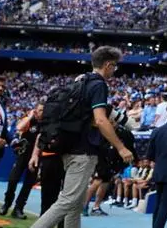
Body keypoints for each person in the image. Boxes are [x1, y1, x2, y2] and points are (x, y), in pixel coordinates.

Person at [31, 47, 134, 228]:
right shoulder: (99, 84)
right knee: (68, 201)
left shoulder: (81, 80)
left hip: (69, 147)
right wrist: (121, 147)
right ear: (108, 65)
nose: (115, 71)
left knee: (75, 204)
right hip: (83, 152)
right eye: (115, 66)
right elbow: (101, 120)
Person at [1, 103, 43, 219]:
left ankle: (18, 209)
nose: (41, 113)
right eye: (39, 110)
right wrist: (29, 117)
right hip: (22, 155)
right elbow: (19, 128)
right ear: (35, 111)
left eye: (43, 110)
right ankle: (7, 203)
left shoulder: (45, 124)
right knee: (13, 179)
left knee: (28, 184)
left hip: (36, 157)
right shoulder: (30, 120)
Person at [0, 75, 10, 173]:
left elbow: (2, 129)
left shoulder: (0, 106)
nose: (0, 89)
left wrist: (14, 141)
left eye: (2, 87)